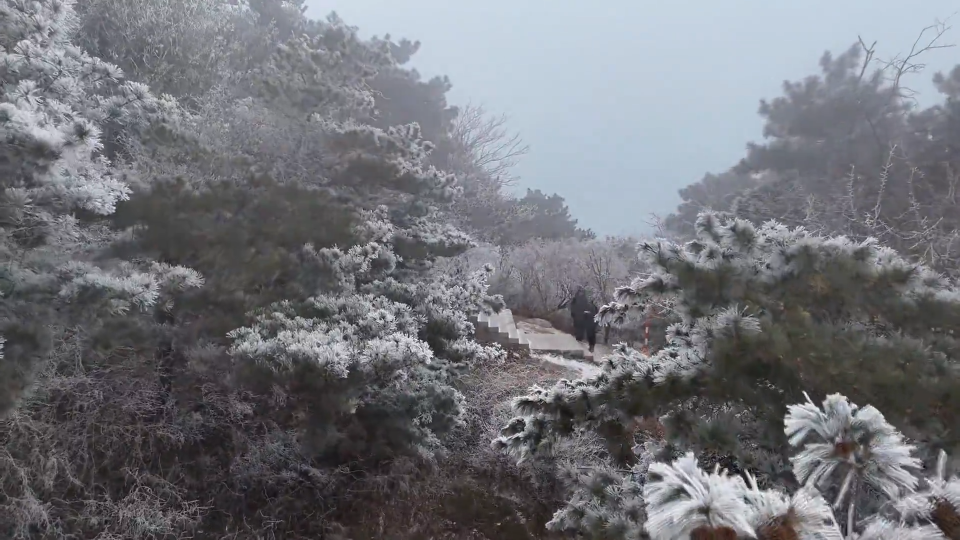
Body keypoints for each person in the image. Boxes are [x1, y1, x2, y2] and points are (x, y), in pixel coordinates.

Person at [568, 287, 599, 352]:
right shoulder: (575, 300)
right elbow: (572, 309)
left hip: (588, 319)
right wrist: (575, 316)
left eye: (582, 292)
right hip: (579, 319)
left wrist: (588, 314)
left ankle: (591, 346)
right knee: (579, 333)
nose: (581, 293)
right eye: (580, 292)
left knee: (590, 333)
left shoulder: (587, 301)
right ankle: (578, 346)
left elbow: (593, 310)